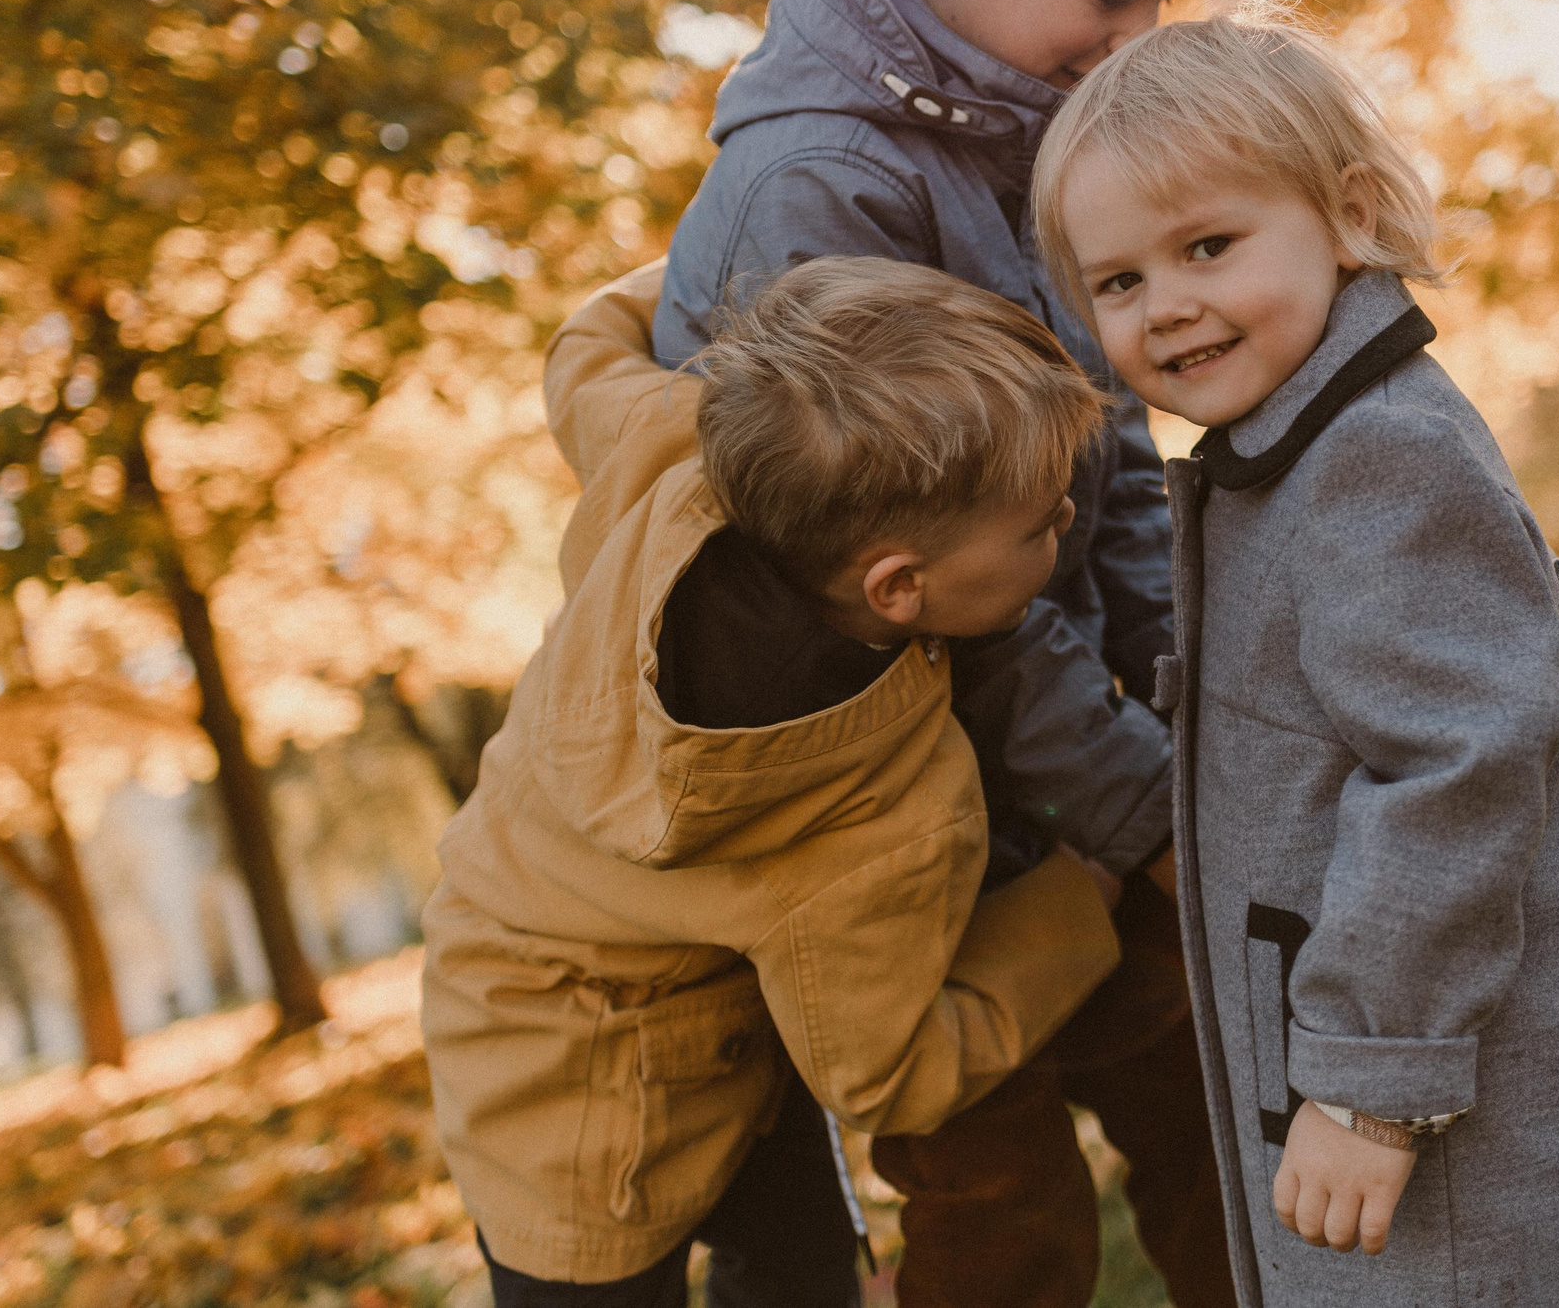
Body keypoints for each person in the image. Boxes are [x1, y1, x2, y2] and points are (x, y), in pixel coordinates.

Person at [1031, 8, 1559, 1306]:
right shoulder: (1287, 448)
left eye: (1208, 246)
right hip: (1407, 1017)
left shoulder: (1376, 456)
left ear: (1349, 216)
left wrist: (1367, 1082)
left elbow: (1459, 768)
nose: (1169, 305)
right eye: (1119, 281)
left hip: (1467, 1047)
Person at [653, 0, 1245, 1308]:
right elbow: (934, 590)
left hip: (1064, 768)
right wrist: (1145, 810)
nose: (1136, 37)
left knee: (1219, 1119)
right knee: (1000, 1206)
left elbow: (1107, 463)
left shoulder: (1022, 126)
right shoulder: (820, 190)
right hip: (901, 827)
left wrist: (1181, 708)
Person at [422, 256, 1128, 1307]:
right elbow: (891, 1072)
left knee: (799, 1270)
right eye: (1040, 525)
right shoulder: (867, 823)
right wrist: (1080, 899)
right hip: (557, 1106)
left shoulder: (674, 441)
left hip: (589, 981)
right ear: (898, 588)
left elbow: (581, 354)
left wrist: (681, 275)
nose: (1067, 516)